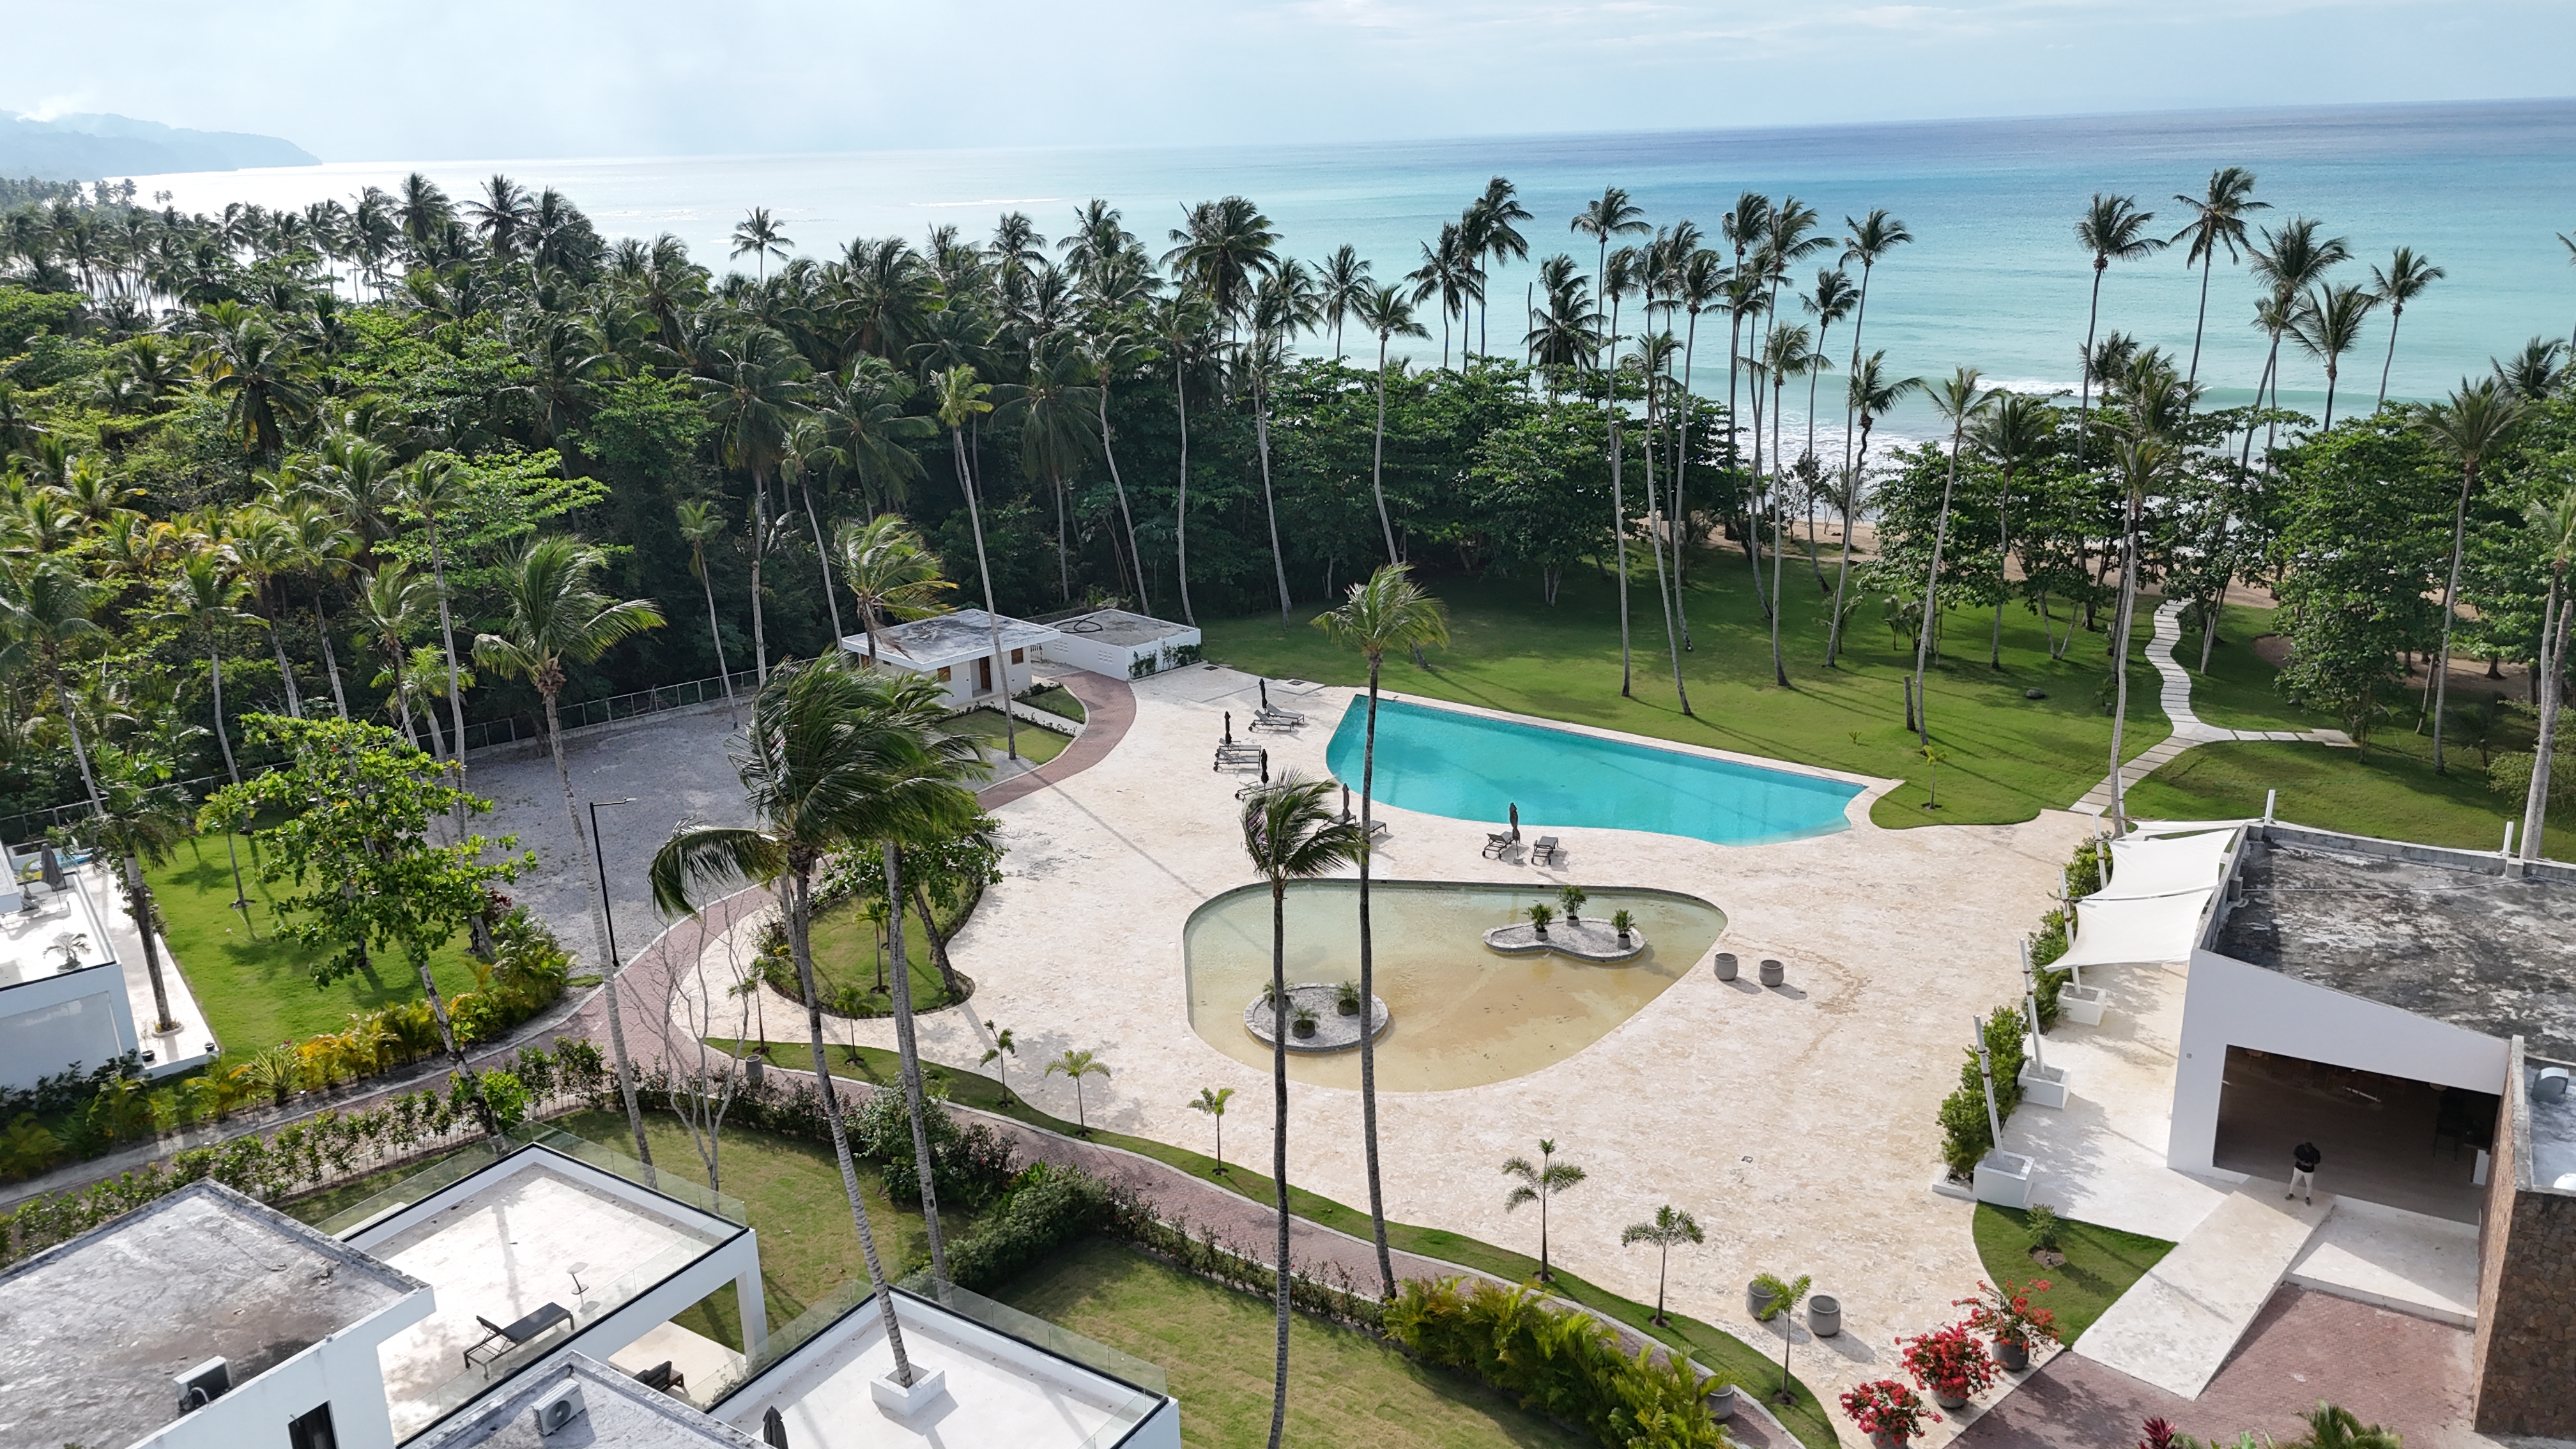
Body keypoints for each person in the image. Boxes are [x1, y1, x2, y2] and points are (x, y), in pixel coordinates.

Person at [2288, 1140, 2320, 1204]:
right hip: (2299, 1168)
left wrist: (2312, 1163)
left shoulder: (2315, 1152)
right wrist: (2300, 1161)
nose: (2308, 1150)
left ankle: (2307, 1197)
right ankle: (2291, 1194)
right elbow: (2294, 1155)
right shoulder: (2299, 1148)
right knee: (2294, 1181)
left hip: (2309, 1171)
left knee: (2309, 1185)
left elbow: (2318, 1160)